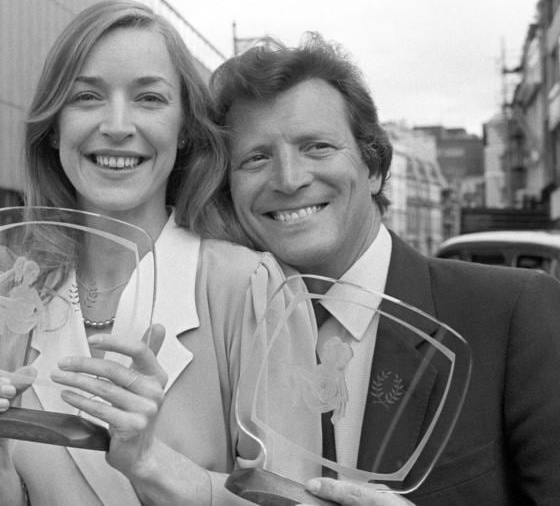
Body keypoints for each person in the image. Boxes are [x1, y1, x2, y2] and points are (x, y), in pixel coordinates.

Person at [0, 0, 300, 506]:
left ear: (185, 128)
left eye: (149, 98)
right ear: (54, 126)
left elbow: (296, 498)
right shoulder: (3, 299)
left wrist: (151, 464)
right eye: (87, 96)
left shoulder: (250, 286)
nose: (116, 124)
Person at [210, 33, 560, 505]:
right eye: (256, 157)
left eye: (316, 147)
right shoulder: (229, 334)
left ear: (373, 167)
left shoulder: (514, 314)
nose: (289, 179)